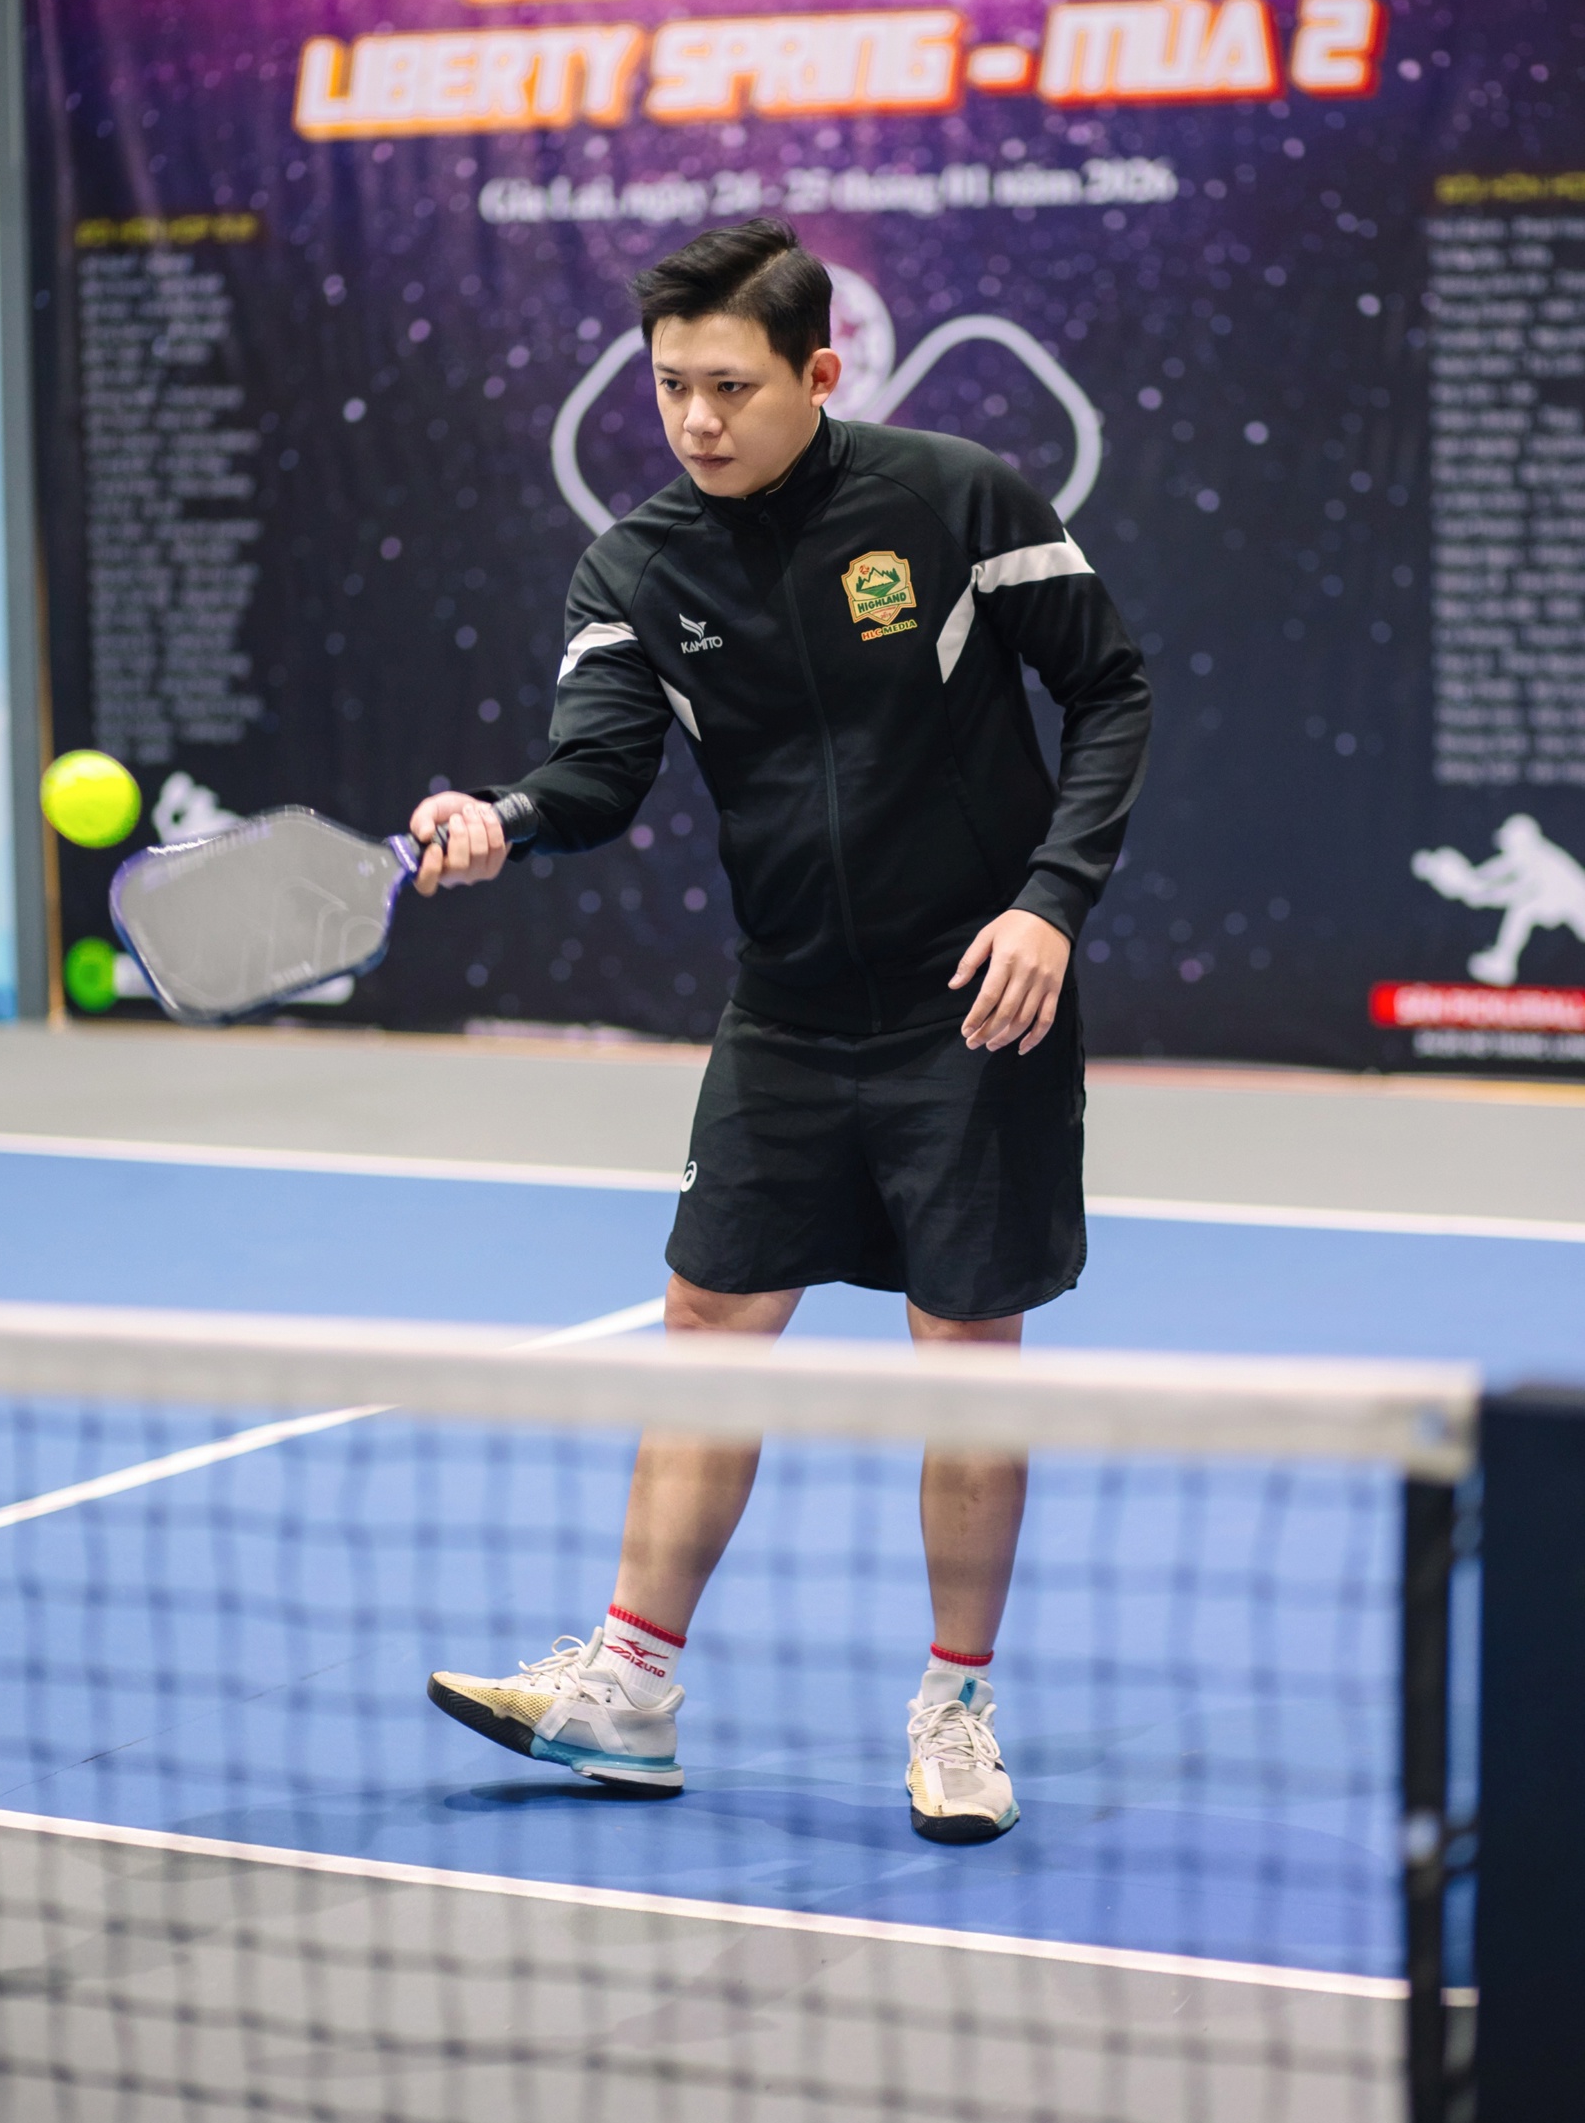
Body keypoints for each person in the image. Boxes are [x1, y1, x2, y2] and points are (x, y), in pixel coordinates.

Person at [410, 219, 1150, 1843]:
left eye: (731, 386)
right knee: (706, 1317)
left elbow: (1113, 692)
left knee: (965, 1356)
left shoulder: (954, 499)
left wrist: (1050, 903)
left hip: (978, 1002)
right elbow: (598, 773)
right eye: (671, 385)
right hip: (791, 1009)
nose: (696, 419)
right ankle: (629, 1688)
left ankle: (957, 1703)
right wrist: (503, 817)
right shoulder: (636, 567)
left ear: (821, 373)